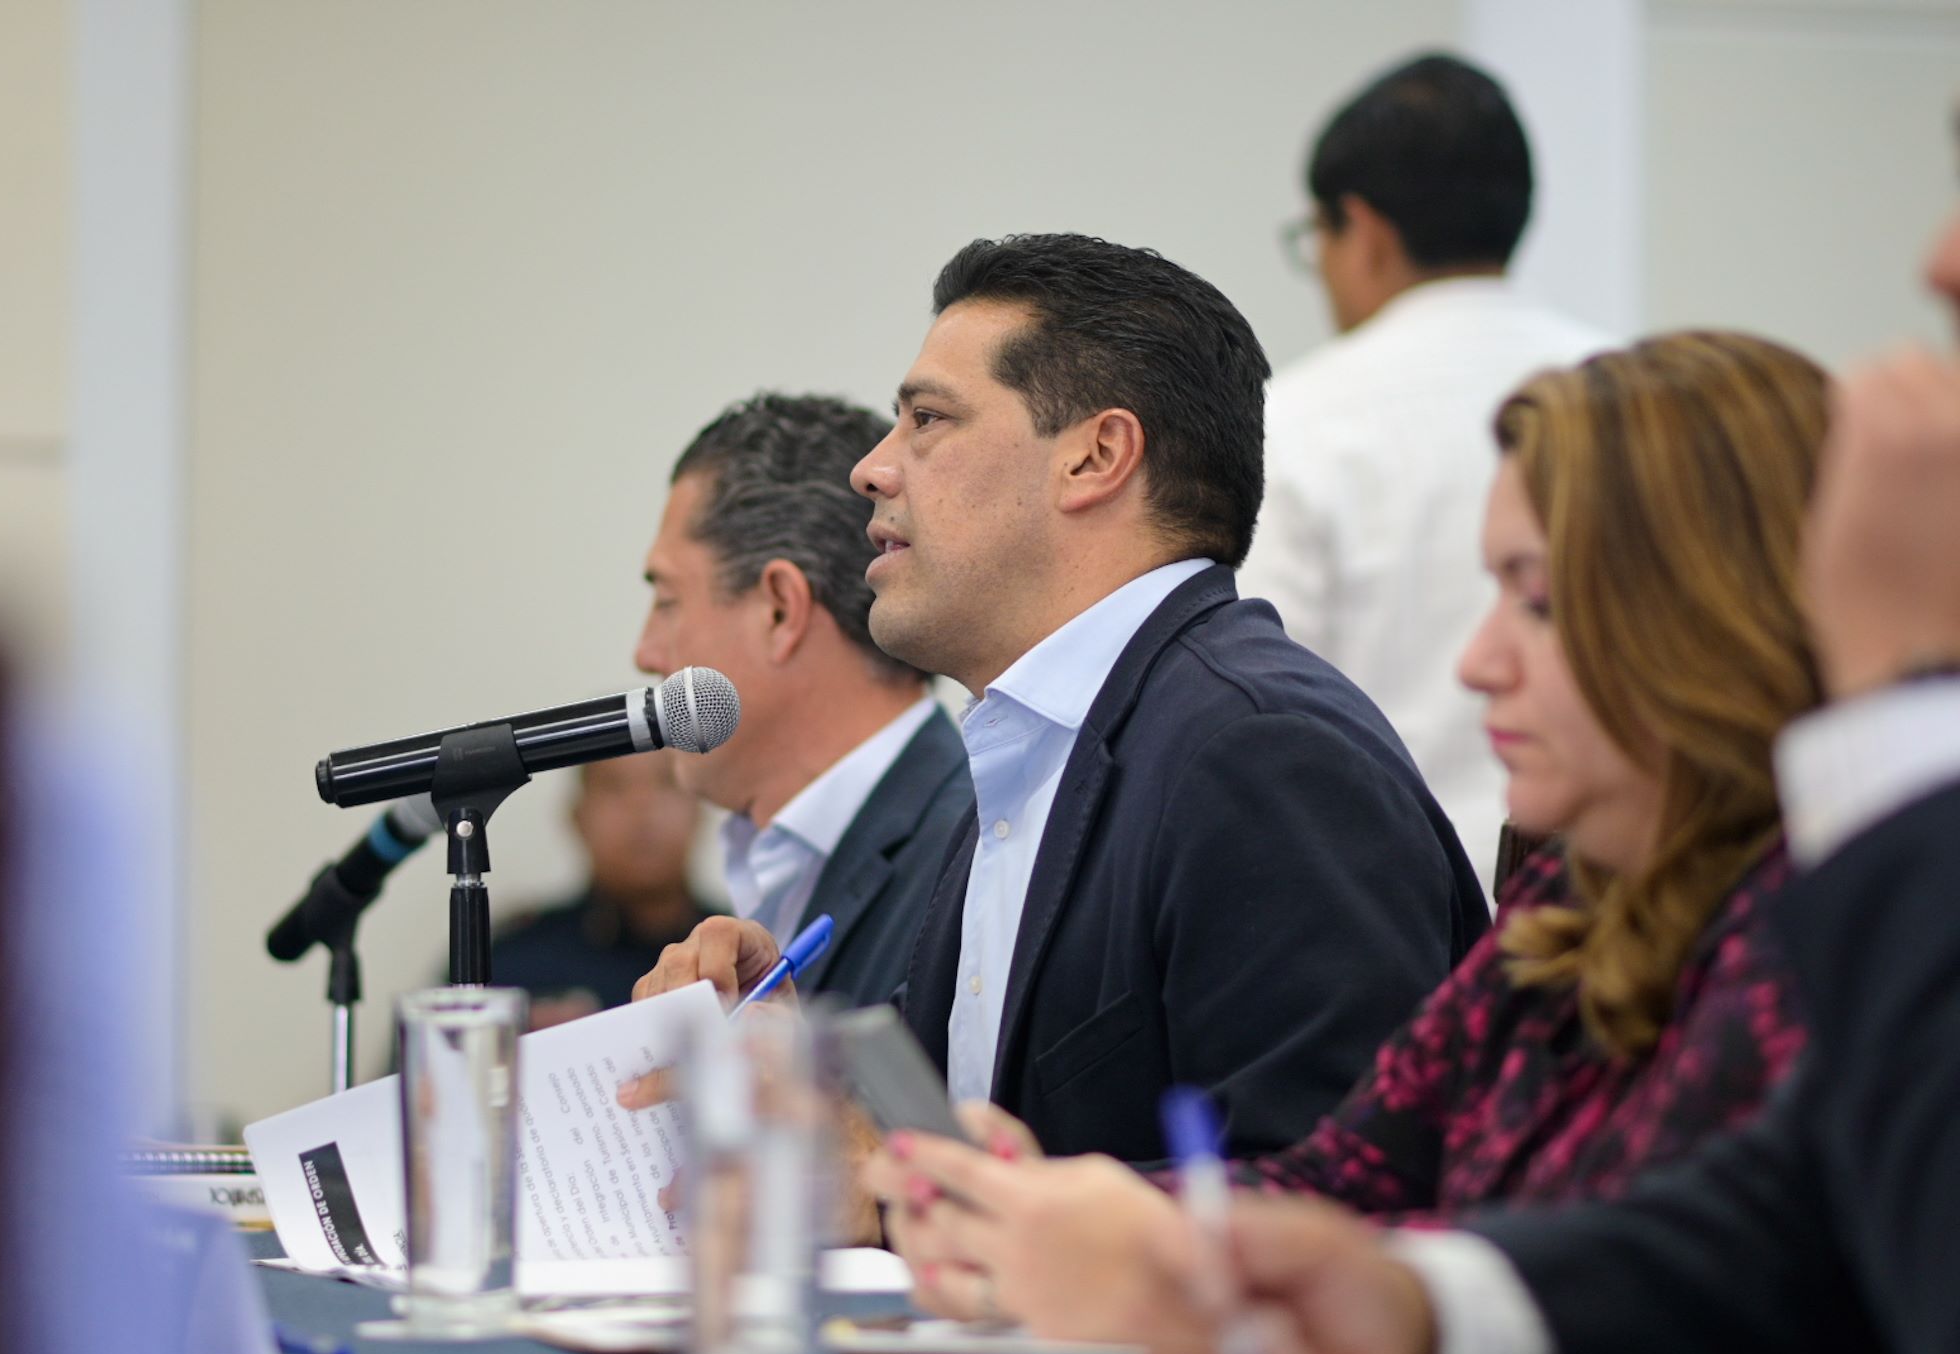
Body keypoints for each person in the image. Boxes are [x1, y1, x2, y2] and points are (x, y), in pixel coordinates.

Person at [907, 175, 1960, 1354]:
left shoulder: (1817, 916)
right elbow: (1350, 1177)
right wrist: (1071, 1212)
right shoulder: (1569, 906)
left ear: (1707, 621)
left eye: (1538, 600)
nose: (1477, 663)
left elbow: (1780, 1274)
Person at [636, 235, 1489, 1170]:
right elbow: (986, 1129)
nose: (872, 470)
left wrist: (903, 1193)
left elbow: (1345, 1200)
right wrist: (804, 1077)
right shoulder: (1039, 747)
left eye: (928, 420)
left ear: (1096, 457)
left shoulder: (1263, 752)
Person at [1243, 53, 1611, 883]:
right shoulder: (1637, 395)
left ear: (1362, 230)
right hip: (1614, 891)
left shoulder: (1292, 423)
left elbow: (1266, 712)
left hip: (1380, 899)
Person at [631, 392, 973, 1007]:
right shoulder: (778, 853)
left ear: (779, 610)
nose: (646, 652)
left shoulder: (971, 857)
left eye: (668, 601)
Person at [479, 753, 711, 1030]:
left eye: (666, 782)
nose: (642, 806)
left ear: (700, 810)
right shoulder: (510, 970)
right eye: (615, 786)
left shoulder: (737, 956)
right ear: (577, 818)